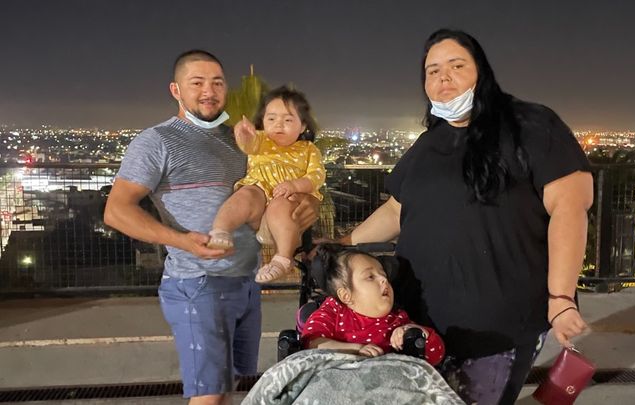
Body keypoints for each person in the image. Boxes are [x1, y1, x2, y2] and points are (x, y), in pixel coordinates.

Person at [339, 29, 593, 404]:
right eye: (433, 71)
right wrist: (344, 245)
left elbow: (570, 206)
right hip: (419, 324)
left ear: (482, 72)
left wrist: (560, 297)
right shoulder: (429, 143)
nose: (443, 77)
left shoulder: (529, 125)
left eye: (457, 66)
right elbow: (396, 209)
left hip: (495, 328)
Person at [103, 50, 318, 405]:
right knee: (209, 396)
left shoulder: (241, 140)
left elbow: (273, 187)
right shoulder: (157, 141)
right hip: (197, 283)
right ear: (176, 90)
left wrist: (307, 204)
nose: (209, 91)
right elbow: (116, 211)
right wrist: (182, 241)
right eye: (197, 83)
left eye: (217, 83)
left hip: (246, 282)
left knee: (232, 388)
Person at [206, 86, 326, 284]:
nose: (278, 124)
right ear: (262, 122)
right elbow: (248, 144)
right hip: (259, 188)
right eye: (271, 119)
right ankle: (221, 230)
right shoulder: (261, 140)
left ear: (303, 126)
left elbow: (316, 176)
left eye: (288, 120)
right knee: (244, 196)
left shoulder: (308, 149)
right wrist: (243, 133)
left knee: (281, 206)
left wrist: (295, 185)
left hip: (286, 196)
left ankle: (283, 258)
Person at [301, 245, 445, 366]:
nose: (383, 279)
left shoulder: (398, 320)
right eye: (370, 277)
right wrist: (356, 349)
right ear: (346, 295)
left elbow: (436, 356)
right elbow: (313, 344)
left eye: (384, 275)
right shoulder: (333, 311)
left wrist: (417, 333)